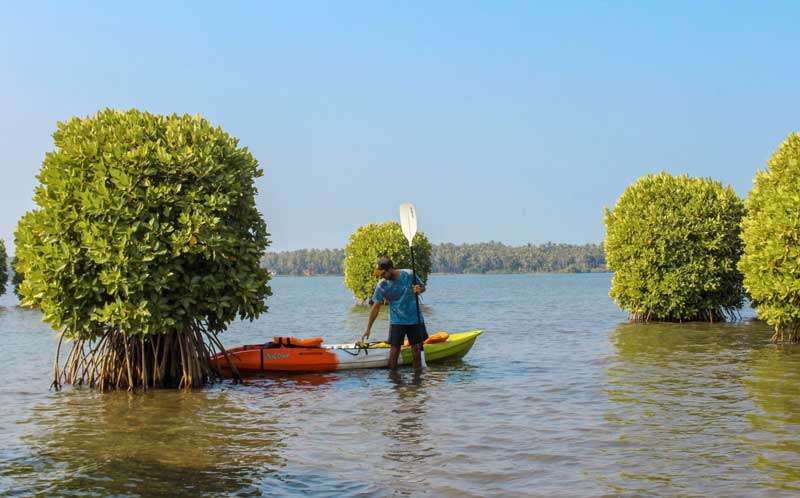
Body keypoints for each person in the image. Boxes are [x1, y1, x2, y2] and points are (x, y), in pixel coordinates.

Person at [361, 256, 427, 369]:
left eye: (383, 273)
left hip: (415, 318)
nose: (381, 276)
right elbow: (375, 307)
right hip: (397, 321)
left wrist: (419, 290)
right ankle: (393, 381)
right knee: (394, 351)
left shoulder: (409, 274)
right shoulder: (382, 285)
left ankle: (417, 382)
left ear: (390, 269)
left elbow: (422, 287)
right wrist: (368, 328)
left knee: (416, 350)